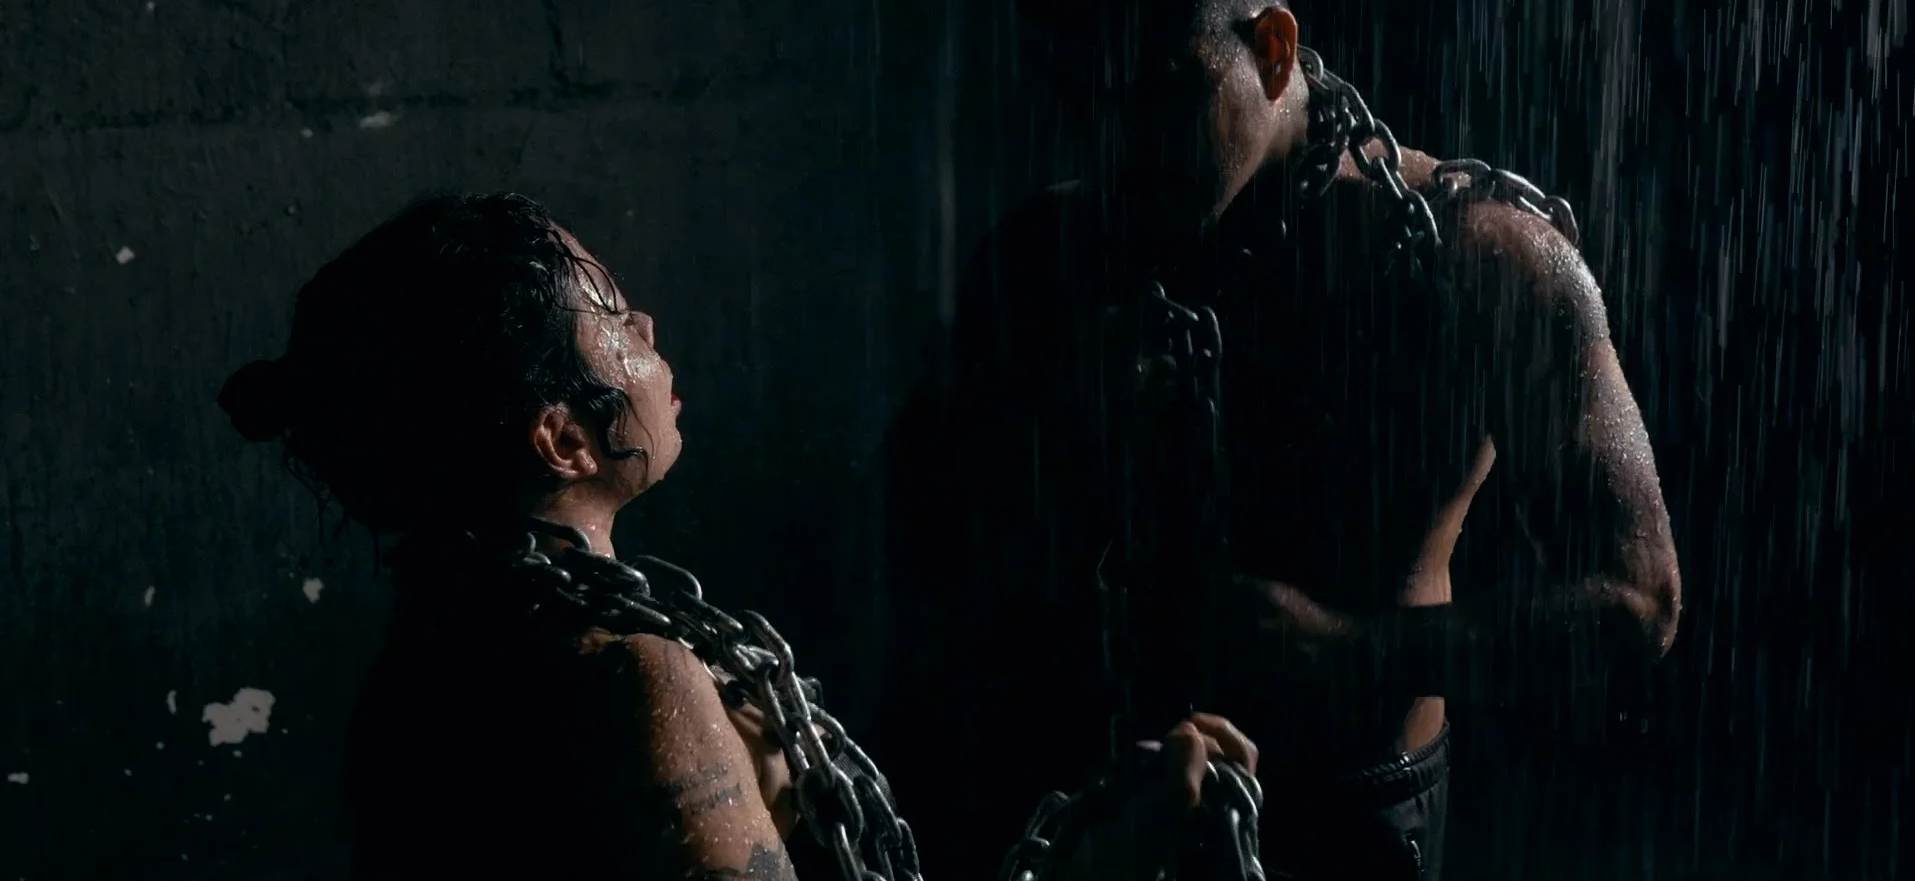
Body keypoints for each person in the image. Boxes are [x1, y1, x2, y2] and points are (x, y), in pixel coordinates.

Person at [876, 0, 1683, 881]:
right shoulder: (1051, 257)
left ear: (1272, 48)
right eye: (1086, 103)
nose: (1120, 149)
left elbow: (1634, 604)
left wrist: (1347, 650)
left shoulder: (1478, 263)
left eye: (1159, 96)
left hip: (1358, 815)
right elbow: (918, 530)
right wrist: (1059, 442)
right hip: (1104, 800)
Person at [218, 191, 1261, 881]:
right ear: (565, 440)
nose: (648, 330)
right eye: (613, 317)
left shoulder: (422, 667)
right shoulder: (631, 679)